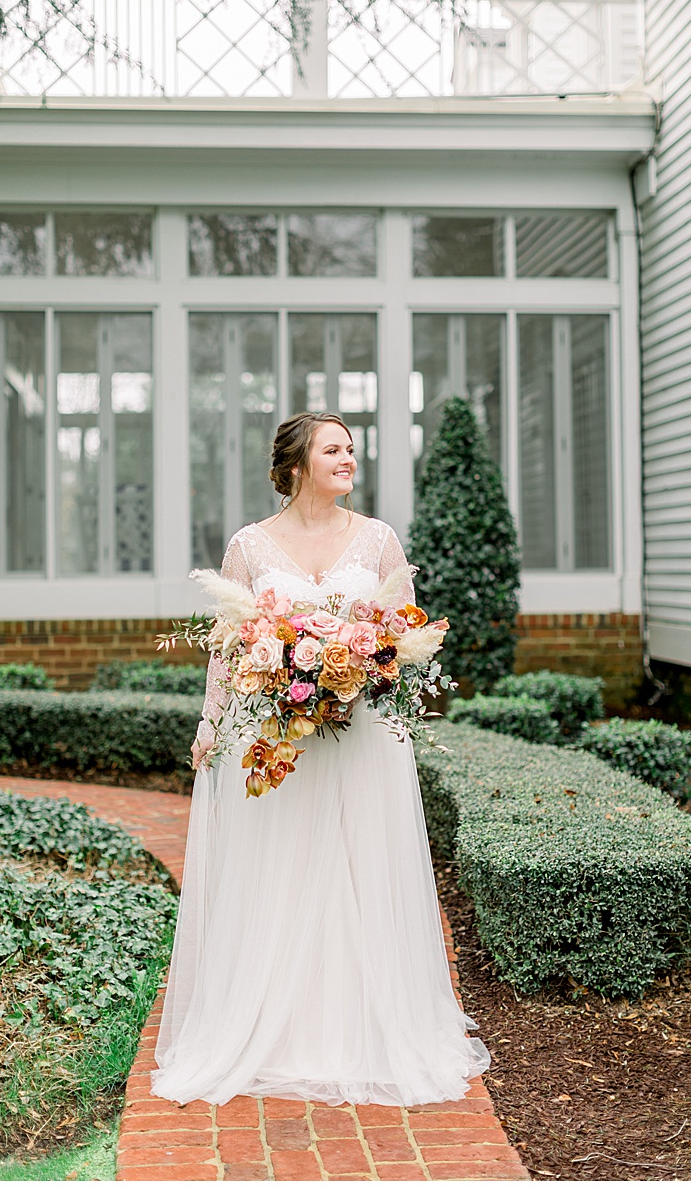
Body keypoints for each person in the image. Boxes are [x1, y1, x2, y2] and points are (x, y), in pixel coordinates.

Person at [151, 413, 488, 1109]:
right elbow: (228, 644)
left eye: (351, 449)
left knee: (360, 870)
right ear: (298, 463)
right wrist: (210, 724)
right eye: (334, 449)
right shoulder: (249, 545)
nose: (348, 458)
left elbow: (406, 636)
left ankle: (364, 1029)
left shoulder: (379, 540)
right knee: (282, 871)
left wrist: (368, 668)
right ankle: (278, 1033)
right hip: (275, 738)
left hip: (360, 738)